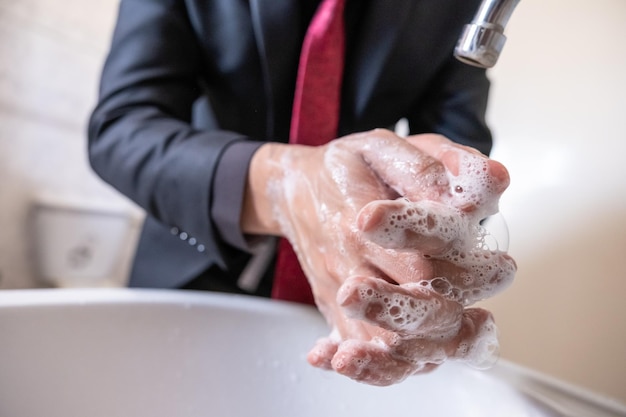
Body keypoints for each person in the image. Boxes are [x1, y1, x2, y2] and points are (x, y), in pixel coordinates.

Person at [88, 0, 517, 386]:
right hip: (190, 277)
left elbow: (456, 146)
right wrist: (286, 187)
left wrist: (432, 218)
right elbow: (121, 127)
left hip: (348, 308)